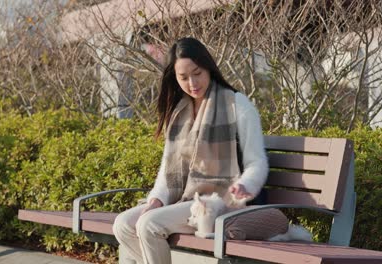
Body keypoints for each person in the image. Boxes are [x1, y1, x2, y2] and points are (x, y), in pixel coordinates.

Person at [113, 37, 268, 264]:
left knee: (149, 225)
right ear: (174, 78)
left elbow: (257, 162)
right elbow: (168, 169)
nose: (192, 83)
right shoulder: (179, 112)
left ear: (208, 68)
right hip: (188, 200)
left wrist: (245, 185)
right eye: (183, 77)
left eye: (197, 73)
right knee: (123, 224)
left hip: (223, 201)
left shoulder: (237, 104)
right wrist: (157, 199)